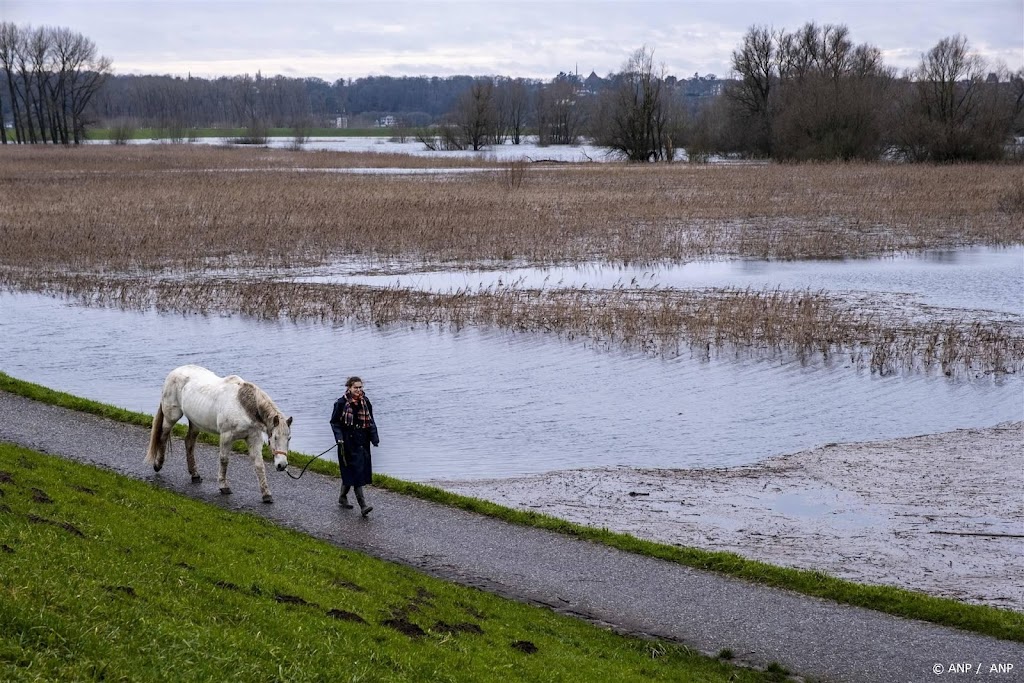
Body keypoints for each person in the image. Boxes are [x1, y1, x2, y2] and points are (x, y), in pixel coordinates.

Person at [330, 376, 379, 516]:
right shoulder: (340, 403)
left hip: (362, 441)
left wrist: (374, 438)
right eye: (355, 387)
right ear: (349, 388)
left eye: (360, 387)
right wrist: (339, 439)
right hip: (347, 442)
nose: (358, 390)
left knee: (354, 471)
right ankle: (363, 505)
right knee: (355, 472)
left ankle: (342, 496)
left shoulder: (366, 402)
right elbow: (334, 423)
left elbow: (370, 420)